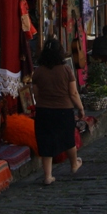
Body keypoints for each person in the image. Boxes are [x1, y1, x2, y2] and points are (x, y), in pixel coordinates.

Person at [32, 37, 86, 185]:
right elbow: (73, 93)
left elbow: (36, 95)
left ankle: (48, 176)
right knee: (68, 138)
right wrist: (80, 108)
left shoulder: (38, 72)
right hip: (63, 109)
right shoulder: (66, 70)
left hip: (44, 111)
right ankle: (74, 164)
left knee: (45, 142)